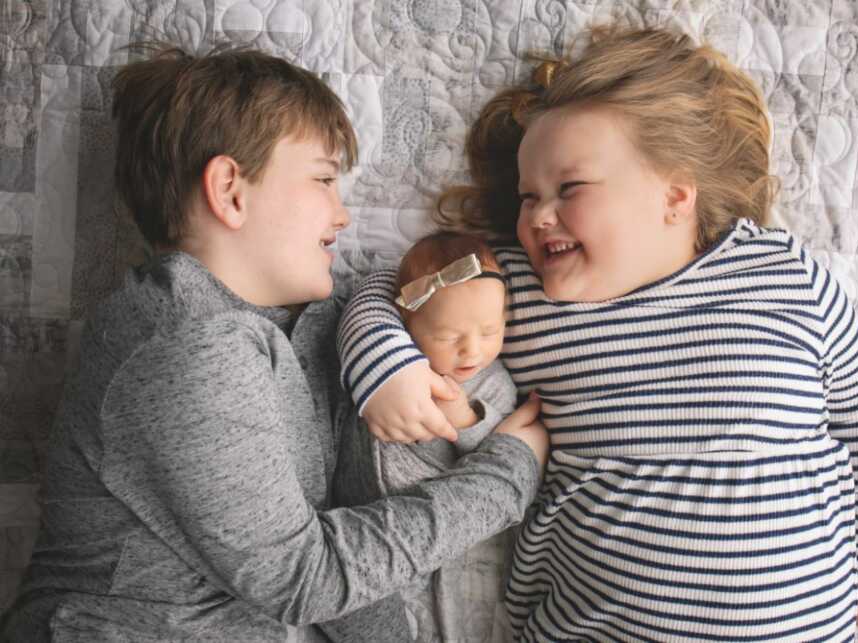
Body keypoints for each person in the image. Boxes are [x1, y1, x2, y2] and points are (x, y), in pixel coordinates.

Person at [336, 24, 858, 642]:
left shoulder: (781, 274)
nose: (538, 215)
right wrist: (387, 367)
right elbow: (387, 286)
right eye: (527, 197)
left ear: (675, 196)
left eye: (569, 188)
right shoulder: (523, 289)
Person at [0, 44, 549, 642]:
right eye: (323, 179)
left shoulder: (283, 331)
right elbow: (305, 578)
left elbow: (329, 548)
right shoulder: (189, 342)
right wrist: (508, 475)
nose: (341, 215)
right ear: (230, 190)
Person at [331, 232, 521, 642]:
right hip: (359, 518)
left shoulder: (493, 382)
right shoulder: (391, 357)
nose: (472, 351)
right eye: (449, 337)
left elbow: (498, 446)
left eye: (490, 331)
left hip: (440, 518)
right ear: (408, 324)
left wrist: (465, 416)